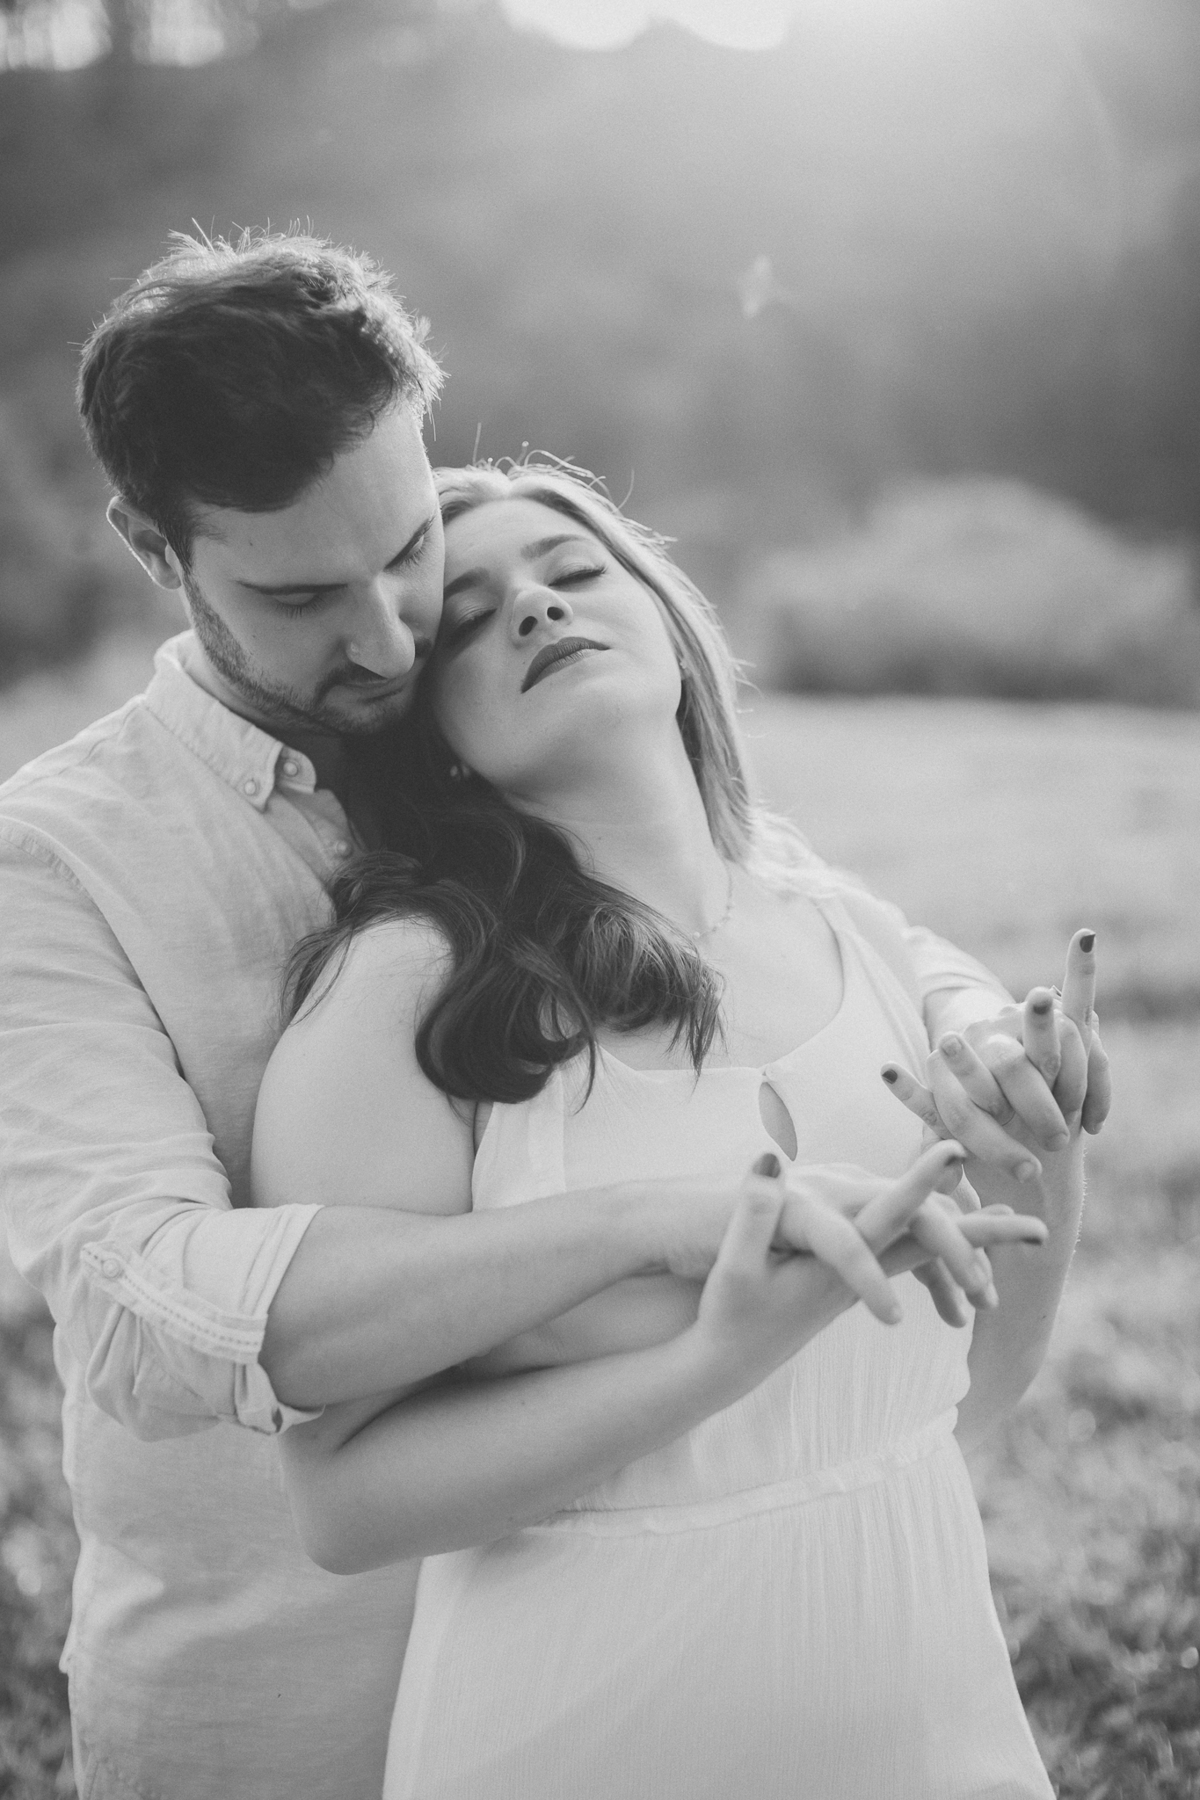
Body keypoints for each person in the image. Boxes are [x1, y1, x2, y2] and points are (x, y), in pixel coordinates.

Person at [0, 231, 1092, 1800]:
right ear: (154, 548)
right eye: (301, 595)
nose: (387, 638)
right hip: (280, 1693)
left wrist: (985, 1030)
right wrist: (656, 1243)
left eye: (407, 555)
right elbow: (138, 1313)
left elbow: (795, 913)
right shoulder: (58, 860)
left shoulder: (554, 788)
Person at [252, 459, 1105, 1799]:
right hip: (589, 1733)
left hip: (925, 1711)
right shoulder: (410, 989)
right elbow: (341, 1503)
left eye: (573, 571)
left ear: (668, 623)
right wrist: (712, 1362)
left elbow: (967, 1394)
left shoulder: (856, 935)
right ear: (437, 734)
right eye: (470, 619)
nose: (535, 607)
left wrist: (1043, 1148)